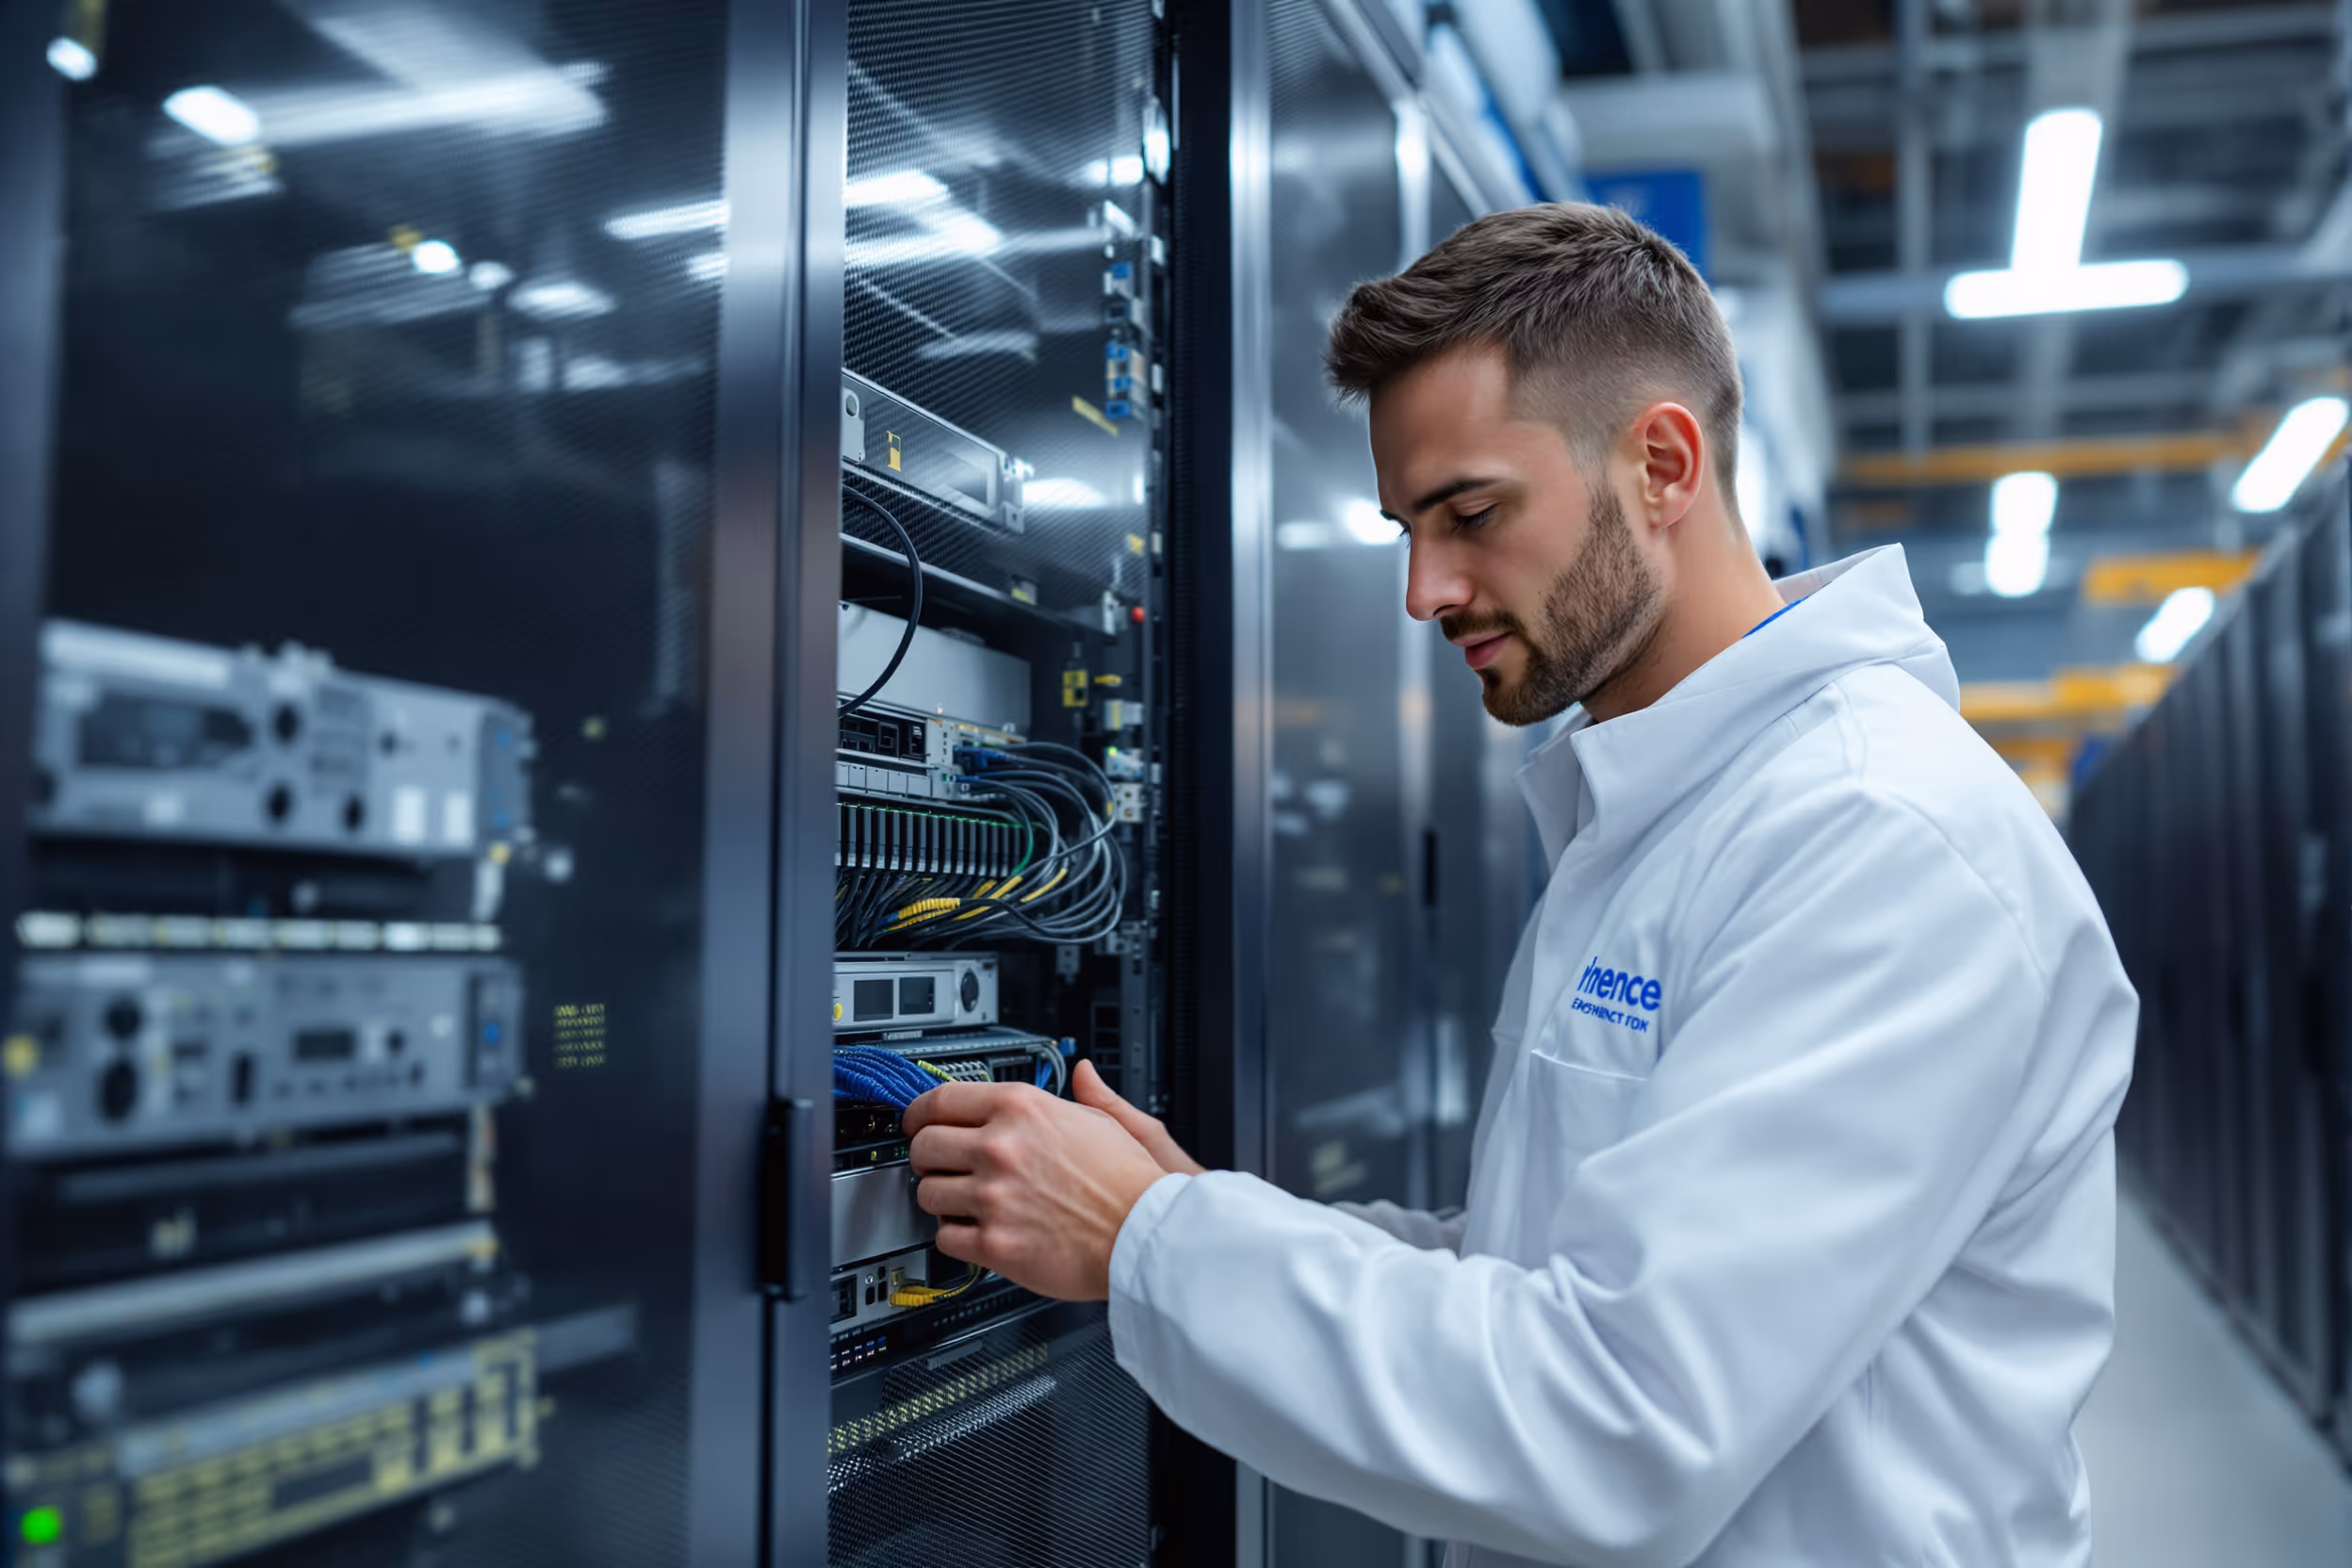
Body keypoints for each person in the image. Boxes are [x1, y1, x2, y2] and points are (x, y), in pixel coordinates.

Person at [901, 203, 2137, 1567]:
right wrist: (1199, 1220)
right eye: (1405, 530)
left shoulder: (1876, 840)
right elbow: (1554, 1267)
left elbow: (1621, 1422)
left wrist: (1153, 1241)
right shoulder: (1669, 808)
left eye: (1471, 512)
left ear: (1662, 463)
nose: (1425, 591)